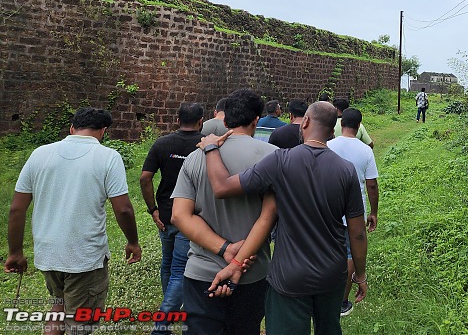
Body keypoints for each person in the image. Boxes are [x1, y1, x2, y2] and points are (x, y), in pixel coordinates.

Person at [200, 101, 368, 335]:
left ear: (305, 121)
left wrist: (210, 148)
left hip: (289, 276)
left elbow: (222, 187)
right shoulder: (346, 170)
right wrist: (359, 275)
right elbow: (357, 232)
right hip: (332, 274)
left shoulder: (281, 161)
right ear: (331, 132)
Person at [5, 108, 141, 335]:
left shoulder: (39, 154)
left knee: (58, 306)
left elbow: (17, 208)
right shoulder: (108, 157)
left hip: (48, 253)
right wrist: (133, 242)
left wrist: (16, 252)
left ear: (71, 129)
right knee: (79, 324)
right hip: (84, 257)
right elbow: (124, 209)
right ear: (103, 132)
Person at [171, 88, 279, 335]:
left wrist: (223, 248)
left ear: (225, 119)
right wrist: (237, 258)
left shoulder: (196, 157)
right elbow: (270, 215)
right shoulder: (274, 157)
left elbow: (179, 215)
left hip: (201, 270)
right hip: (252, 271)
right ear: (256, 120)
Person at [140, 102, 205, 334]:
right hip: (191, 216)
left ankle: (169, 312)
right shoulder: (206, 144)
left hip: (165, 215)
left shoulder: (162, 143)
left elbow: (145, 178)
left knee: (168, 265)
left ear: (177, 120)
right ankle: (162, 323)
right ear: (200, 121)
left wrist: (153, 209)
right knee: (179, 269)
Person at [327, 107, 378, 316]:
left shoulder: (327, 145)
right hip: (353, 212)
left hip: (327, 209)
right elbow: (372, 185)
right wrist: (373, 212)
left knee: (327, 251)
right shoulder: (366, 151)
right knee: (349, 254)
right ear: (359, 127)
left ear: (341, 124)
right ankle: (342, 301)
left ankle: (321, 296)